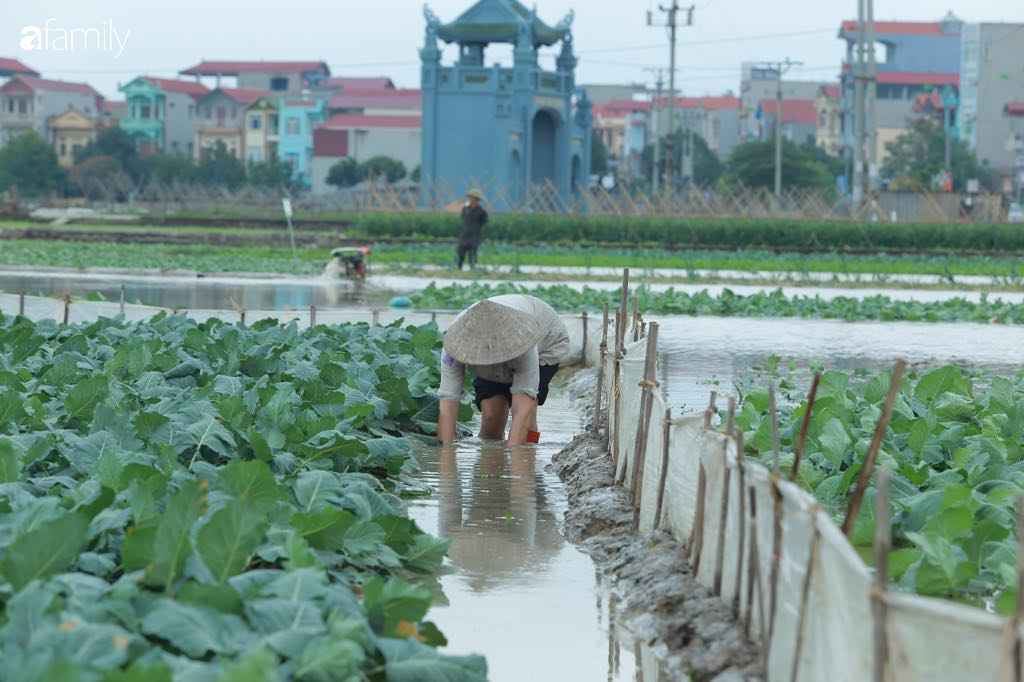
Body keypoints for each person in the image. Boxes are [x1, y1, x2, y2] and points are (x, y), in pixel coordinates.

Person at [437, 294, 569, 446]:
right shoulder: (455, 344)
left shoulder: (524, 341)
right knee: (492, 416)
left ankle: (531, 451)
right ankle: (490, 462)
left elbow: (523, 410)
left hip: (544, 342)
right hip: (489, 344)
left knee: (528, 418)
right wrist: (445, 455)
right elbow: (447, 406)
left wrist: (513, 455)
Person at [456, 188, 488, 269]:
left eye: (472, 198)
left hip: (474, 235)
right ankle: (459, 268)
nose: (470, 199)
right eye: (470, 197)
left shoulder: (481, 211)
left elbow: (484, 223)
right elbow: (463, 218)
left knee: (472, 253)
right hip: (464, 234)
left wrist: (476, 229)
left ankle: (472, 268)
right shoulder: (465, 209)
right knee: (461, 252)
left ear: (477, 200)